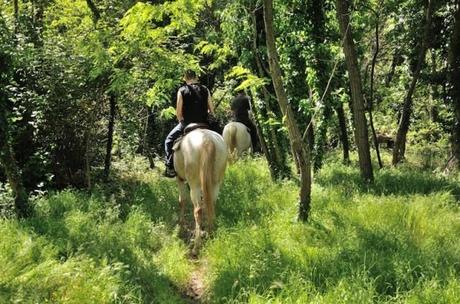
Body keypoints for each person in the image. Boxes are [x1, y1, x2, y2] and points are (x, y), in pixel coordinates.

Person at [164, 70, 214, 177]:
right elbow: (212, 110)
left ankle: (170, 166)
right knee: (219, 137)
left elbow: (178, 112)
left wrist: (181, 121)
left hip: (187, 124)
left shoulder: (182, 90)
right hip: (204, 123)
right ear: (196, 77)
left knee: (169, 140)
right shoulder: (205, 89)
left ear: (185, 78)